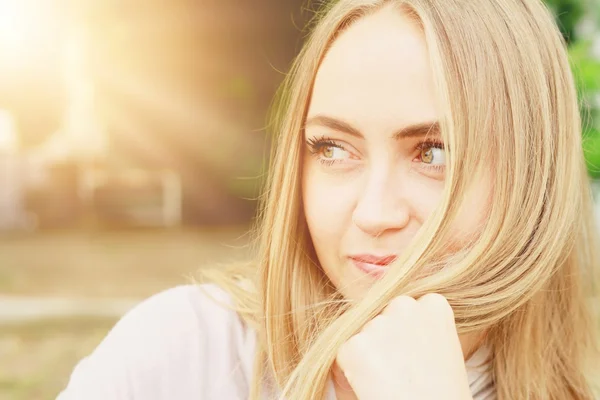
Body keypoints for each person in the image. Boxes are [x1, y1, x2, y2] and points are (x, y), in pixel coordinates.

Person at [57, 0, 600, 399]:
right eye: (334, 149)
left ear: (534, 175)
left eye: (435, 153)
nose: (373, 213)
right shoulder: (184, 354)